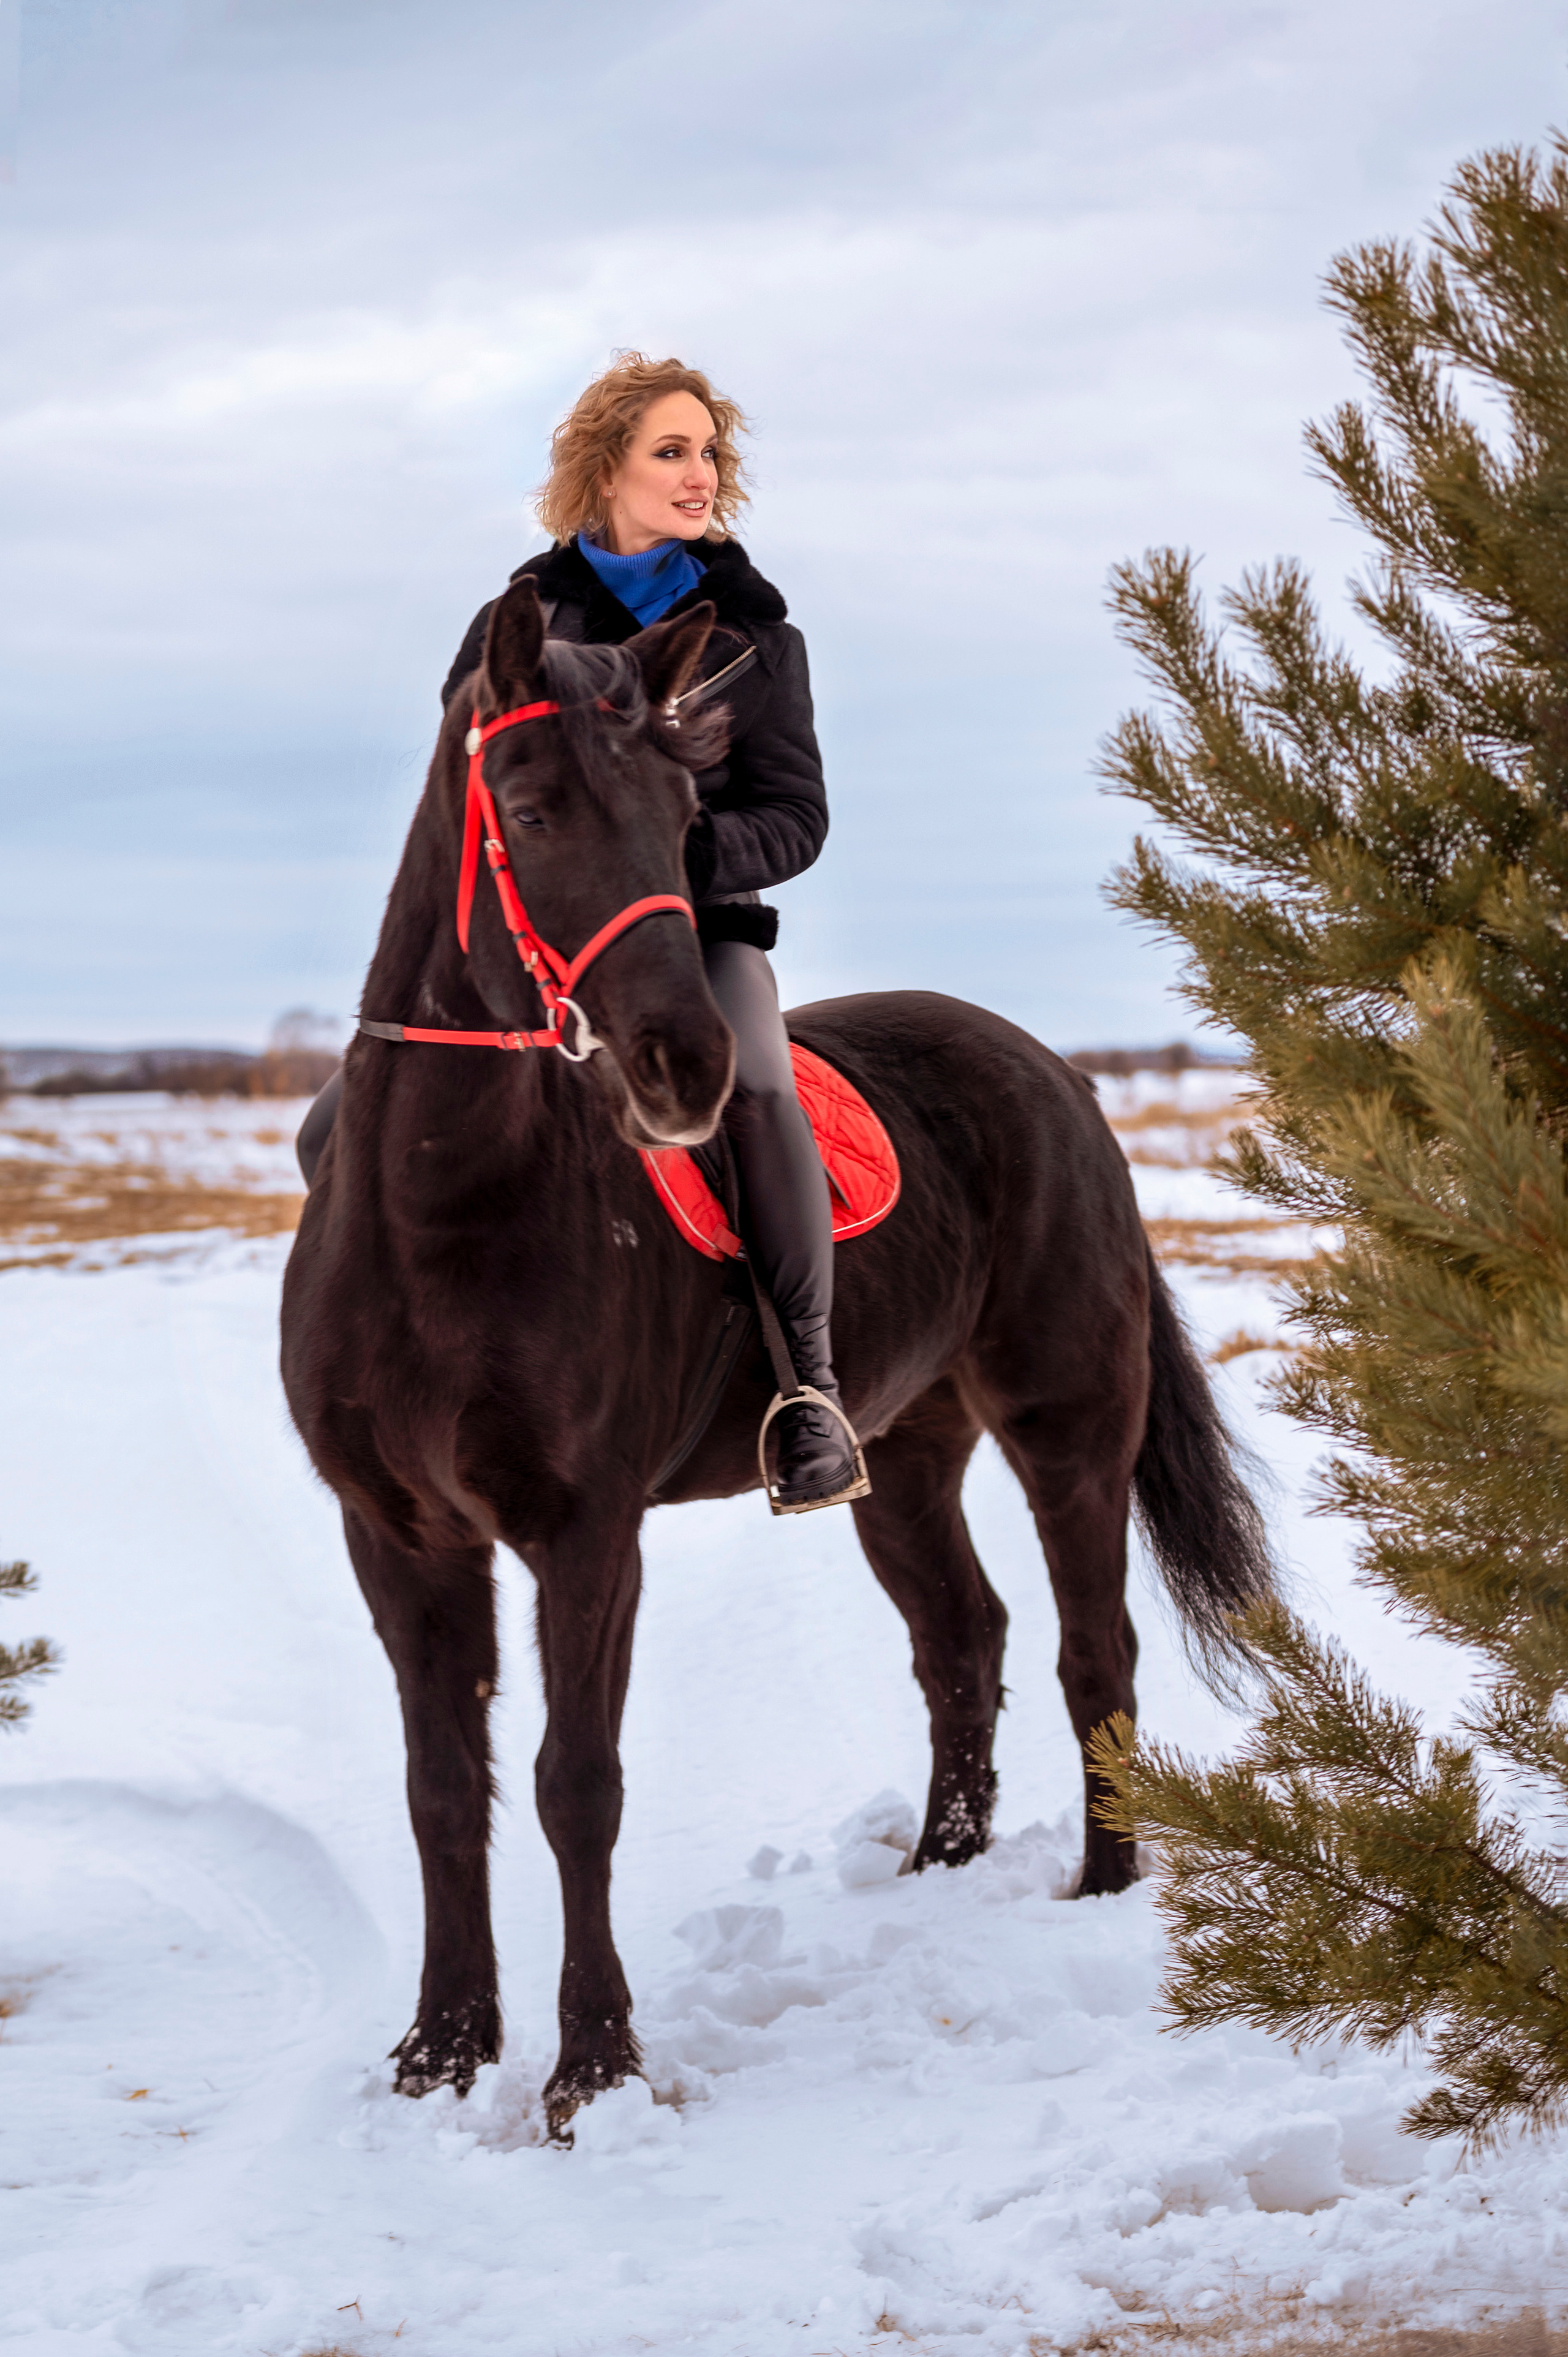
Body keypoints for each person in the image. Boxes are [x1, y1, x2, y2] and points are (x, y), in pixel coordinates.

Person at [298, 353, 862, 1512]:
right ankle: (393, 1357)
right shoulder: (513, 624)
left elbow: (796, 819)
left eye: (709, 451)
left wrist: (669, 862)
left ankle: (808, 1389)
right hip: (535, 948)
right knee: (328, 1127)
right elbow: (472, 799)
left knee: (755, 1085)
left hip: (689, 939)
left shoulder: (762, 637)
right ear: (604, 468)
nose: (699, 473)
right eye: (671, 450)